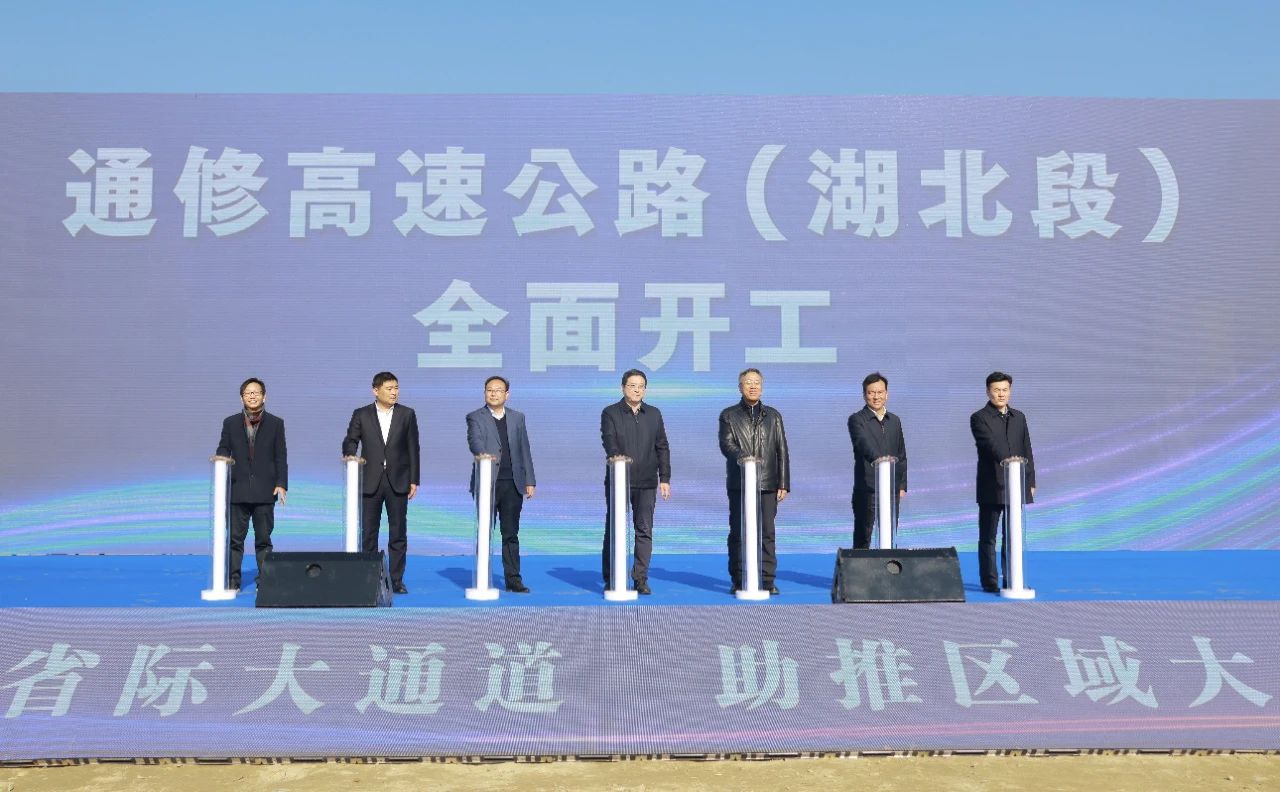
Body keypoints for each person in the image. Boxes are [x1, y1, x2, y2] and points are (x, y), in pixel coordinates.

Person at [342, 371, 421, 595]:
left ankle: (396, 580)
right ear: (375, 391)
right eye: (389, 388)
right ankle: (370, 578)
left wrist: (414, 479)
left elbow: (413, 448)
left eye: (396, 388)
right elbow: (351, 440)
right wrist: (350, 456)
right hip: (370, 481)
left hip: (398, 480)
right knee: (369, 532)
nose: (394, 392)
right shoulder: (361, 414)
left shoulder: (407, 414)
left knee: (398, 533)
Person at [718, 368, 789, 595]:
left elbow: (781, 449)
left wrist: (783, 482)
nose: (753, 386)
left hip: (767, 483)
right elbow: (726, 444)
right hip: (740, 483)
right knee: (738, 532)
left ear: (762, 386)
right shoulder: (729, 415)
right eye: (748, 382)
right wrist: (745, 458)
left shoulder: (773, 416)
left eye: (756, 382)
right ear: (740, 387)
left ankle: (767, 580)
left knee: (767, 533)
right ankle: (739, 579)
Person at [600, 369, 671, 595]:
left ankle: (640, 578)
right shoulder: (611, 413)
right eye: (632, 385)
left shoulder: (654, 414)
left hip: (647, 481)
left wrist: (665, 478)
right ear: (623, 388)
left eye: (641, 386)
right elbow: (609, 441)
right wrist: (617, 459)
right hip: (619, 481)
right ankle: (612, 577)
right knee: (615, 529)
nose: (637, 390)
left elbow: (662, 446)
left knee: (644, 530)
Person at [214, 377, 287, 591]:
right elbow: (223, 448)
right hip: (237, 491)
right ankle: (232, 581)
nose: (252, 396)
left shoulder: (276, 423)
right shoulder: (230, 423)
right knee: (235, 540)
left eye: (256, 392)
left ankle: (264, 582)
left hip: (265, 491)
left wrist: (281, 483)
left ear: (264, 396)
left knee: (263, 540)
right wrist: (220, 459)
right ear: (241, 398)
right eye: (248, 393)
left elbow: (280, 455)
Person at [466, 375, 537, 593]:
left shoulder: (518, 417)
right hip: (487, 482)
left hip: (513, 484)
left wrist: (530, 480)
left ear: (507, 394)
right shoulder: (475, 417)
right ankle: (482, 578)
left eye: (498, 390)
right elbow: (474, 441)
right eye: (489, 390)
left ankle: (513, 580)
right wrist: (483, 455)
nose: (493, 393)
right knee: (485, 532)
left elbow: (524, 449)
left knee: (510, 533)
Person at [970, 371, 1036, 593]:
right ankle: (989, 581)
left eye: (1005, 390)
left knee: (1012, 536)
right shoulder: (979, 417)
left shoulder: (1019, 417)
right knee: (988, 537)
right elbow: (988, 444)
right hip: (992, 485)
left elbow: (1027, 449)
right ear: (988, 392)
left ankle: (1012, 579)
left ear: (1010, 391)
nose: (1001, 394)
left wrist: (1030, 480)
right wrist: (1008, 460)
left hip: (1016, 484)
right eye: (997, 390)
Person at [847, 372, 908, 550]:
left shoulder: (895, 420)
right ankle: (861, 568)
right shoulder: (857, 419)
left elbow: (901, 453)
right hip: (867, 488)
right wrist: (879, 460)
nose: (876, 397)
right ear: (864, 394)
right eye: (871, 392)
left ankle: (889, 566)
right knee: (863, 537)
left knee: (889, 535)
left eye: (880, 392)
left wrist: (902, 484)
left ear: (886, 394)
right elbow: (861, 443)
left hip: (891, 488)